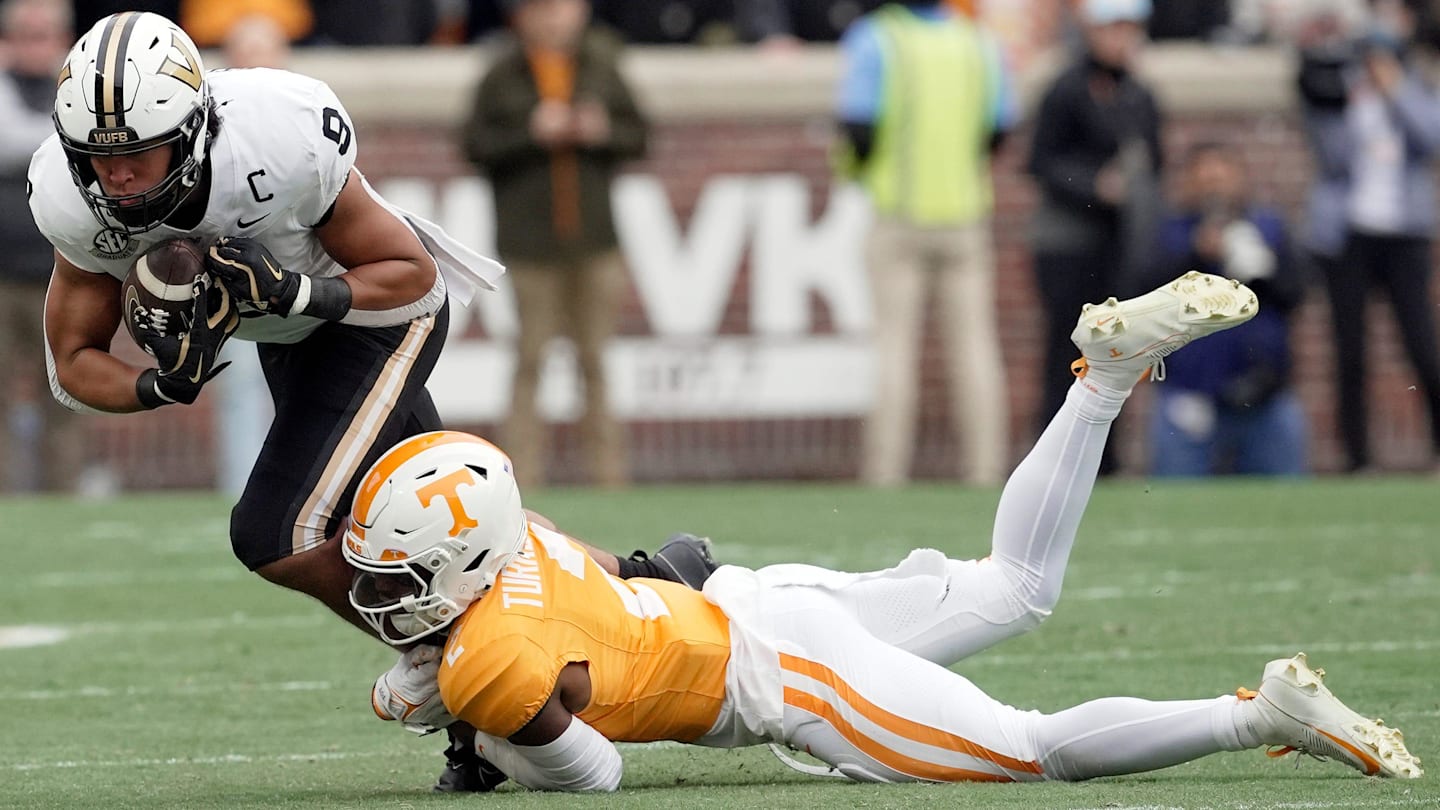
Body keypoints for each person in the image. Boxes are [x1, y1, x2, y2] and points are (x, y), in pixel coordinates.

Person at [348, 273, 1420, 791]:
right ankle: (1103, 381)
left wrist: (488, 727)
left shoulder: (493, 655)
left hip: (785, 675)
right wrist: (436, 681)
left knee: (1033, 749)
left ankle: (1255, 714)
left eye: (404, 572)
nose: (387, 592)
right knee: (1015, 586)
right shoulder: (526, 536)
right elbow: (593, 584)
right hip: (761, 599)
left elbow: (591, 775)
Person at [28, 10, 715, 792]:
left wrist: (295, 290)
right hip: (292, 340)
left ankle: (448, 665)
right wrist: (160, 385)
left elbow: (411, 276)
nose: (116, 178)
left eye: (137, 155)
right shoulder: (71, 199)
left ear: (192, 133)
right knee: (433, 523)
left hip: (376, 318)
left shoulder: (277, 137)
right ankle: (648, 580)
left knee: (277, 531)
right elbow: (72, 363)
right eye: (98, 158)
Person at [461, 0, 647, 489]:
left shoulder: (601, 63)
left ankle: (609, 478)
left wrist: (601, 131)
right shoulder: (503, 71)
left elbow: (639, 134)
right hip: (530, 243)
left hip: (594, 239)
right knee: (530, 359)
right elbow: (474, 144)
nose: (555, 18)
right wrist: (530, 133)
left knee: (595, 361)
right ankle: (518, 480)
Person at [836, 0, 1015, 486]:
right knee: (975, 347)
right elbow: (998, 130)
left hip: (898, 212)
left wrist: (857, 170)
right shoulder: (977, 41)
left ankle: (886, 473)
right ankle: (985, 470)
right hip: (964, 214)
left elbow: (858, 128)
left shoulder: (877, 36)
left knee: (894, 349)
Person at [1296, 0, 1440, 472]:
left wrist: (1394, 89)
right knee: (1349, 348)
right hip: (1347, 235)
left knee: (1422, 343)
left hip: (1404, 233)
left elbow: (1431, 137)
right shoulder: (1338, 89)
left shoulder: (1416, 83)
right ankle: (1357, 459)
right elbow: (1329, 153)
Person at [1027, 0, 1163, 473]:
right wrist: (1094, 187)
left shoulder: (1138, 94)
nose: (1121, 39)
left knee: (1116, 357)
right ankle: (1054, 460)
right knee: (1066, 355)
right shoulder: (1067, 89)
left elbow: (1153, 165)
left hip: (1117, 245)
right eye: (1112, 28)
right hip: (1067, 244)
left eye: (1128, 28)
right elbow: (1041, 163)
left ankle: (1106, 460)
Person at [1144, 142, 1309, 476]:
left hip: (1264, 397)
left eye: (1222, 179)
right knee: (1176, 497)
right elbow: (1143, 296)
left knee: (1283, 496)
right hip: (1190, 396)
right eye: (1205, 181)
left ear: (1241, 180)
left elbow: (1295, 294)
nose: (1215, 190)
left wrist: (1263, 266)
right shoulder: (1169, 233)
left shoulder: (1268, 227)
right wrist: (1196, 255)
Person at [0, 0, 78, 493]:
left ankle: (64, 498)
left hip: (64, 273)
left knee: (68, 393)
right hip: (3, 275)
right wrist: (65, 137)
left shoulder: (77, 92)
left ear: (61, 41)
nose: (34, 45)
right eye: (24, 34)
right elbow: (9, 141)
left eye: (43, 34)